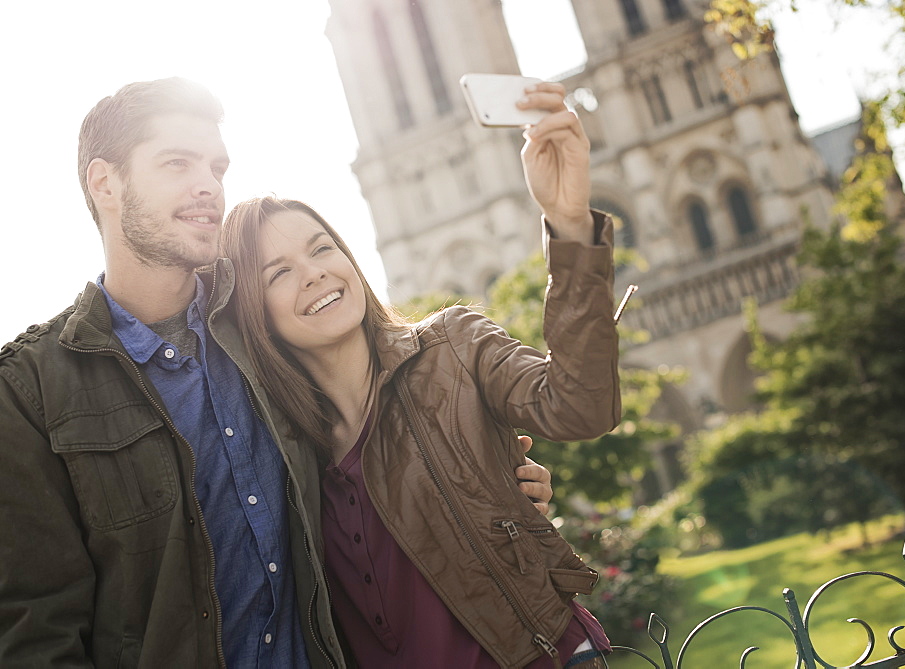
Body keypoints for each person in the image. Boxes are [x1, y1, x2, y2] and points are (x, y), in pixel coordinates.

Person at [0, 76, 552, 668]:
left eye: (217, 167)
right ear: (105, 183)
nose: (207, 186)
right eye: (177, 164)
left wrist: (482, 483)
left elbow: (375, 438)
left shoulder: (267, 322)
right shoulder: (29, 390)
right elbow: (36, 629)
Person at [219, 81, 621, 668]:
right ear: (253, 314)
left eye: (322, 248)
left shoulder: (452, 345)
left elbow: (581, 406)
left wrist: (569, 225)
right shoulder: (275, 447)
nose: (314, 274)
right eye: (278, 273)